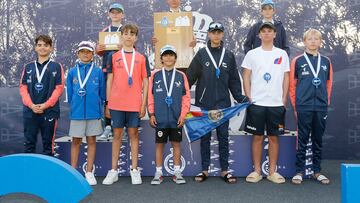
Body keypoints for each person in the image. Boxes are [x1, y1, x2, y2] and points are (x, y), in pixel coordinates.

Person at [186, 22, 248, 184]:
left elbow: (234, 80)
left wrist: (240, 97)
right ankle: (204, 170)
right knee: (205, 137)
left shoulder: (228, 55)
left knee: (223, 137)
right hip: (204, 104)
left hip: (223, 105)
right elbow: (190, 77)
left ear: (222, 35)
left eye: (219, 32)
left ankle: (225, 170)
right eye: (213, 32)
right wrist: (181, 95)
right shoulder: (201, 54)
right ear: (209, 34)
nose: (216, 35)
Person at [242, 22, 289, 184]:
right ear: (259, 35)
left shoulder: (282, 54)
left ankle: (272, 172)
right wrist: (249, 96)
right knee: (257, 137)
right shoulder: (252, 54)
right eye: (264, 31)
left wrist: (283, 99)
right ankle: (256, 171)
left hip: (276, 104)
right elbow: (246, 76)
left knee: (274, 138)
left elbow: (286, 77)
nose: (267, 33)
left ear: (275, 35)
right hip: (257, 103)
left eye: (270, 31)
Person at [102, 24, 149, 185]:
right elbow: (109, 80)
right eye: (126, 33)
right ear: (121, 36)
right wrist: (107, 103)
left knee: (134, 135)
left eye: (132, 34)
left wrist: (143, 105)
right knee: (117, 136)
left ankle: (135, 170)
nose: (129, 36)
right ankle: (113, 170)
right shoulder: (113, 57)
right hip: (116, 103)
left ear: (136, 38)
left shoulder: (142, 58)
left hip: (134, 104)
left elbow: (145, 81)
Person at [289, 28, 333, 185]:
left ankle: (317, 171)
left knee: (318, 139)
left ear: (320, 42)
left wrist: (325, 102)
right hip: (303, 106)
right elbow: (292, 86)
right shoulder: (298, 61)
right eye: (310, 39)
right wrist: (296, 105)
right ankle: (299, 171)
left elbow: (328, 84)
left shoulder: (326, 62)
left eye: (316, 39)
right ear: (304, 41)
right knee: (302, 138)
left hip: (320, 107)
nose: (313, 41)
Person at [148, 45, 190, 185]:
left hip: (176, 118)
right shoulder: (155, 75)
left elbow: (186, 98)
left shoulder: (181, 76)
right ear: (161, 59)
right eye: (165, 55)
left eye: (171, 55)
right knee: (159, 145)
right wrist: (152, 114)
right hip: (159, 118)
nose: (168, 57)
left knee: (176, 144)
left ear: (175, 58)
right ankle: (158, 172)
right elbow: (150, 96)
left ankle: (177, 172)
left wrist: (183, 115)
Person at [66, 41, 106, 186]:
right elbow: (70, 95)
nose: (85, 54)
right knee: (76, 141)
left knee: (91, 141)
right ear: (78, 54)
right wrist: (75, 108)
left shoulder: (98, 72)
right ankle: (73, 172)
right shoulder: (71, 72)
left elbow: (102, 93)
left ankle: (89, 172)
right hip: (77, 114)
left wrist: (98, 108)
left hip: (93, 113)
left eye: (88, 51)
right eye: (82, 51)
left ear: (92, 54)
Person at [19, 34, 64, 156]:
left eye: (46, 45)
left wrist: (45, 105)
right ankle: (28, 174)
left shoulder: (56, 66)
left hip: (49, 111)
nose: (42, 47)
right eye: (39, 45)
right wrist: (31, 105)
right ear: (35, 47)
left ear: (51, 48)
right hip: (30, 111)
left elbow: (59, 89)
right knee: (29, 145)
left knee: (48, 146)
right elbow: (23, 88)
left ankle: (47, 175)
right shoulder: (28, 67)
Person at [96, 3, 125, 139]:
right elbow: (100, 52)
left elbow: (135, 49)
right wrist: (98, 49)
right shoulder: (105, 31)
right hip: (107, 68)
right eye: (113, 12)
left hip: (123, 68)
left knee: (122, 95)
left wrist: (124, 47)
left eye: (118, 12)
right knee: (107, 97)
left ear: (122, 15)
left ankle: (120, 126)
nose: (115, 14)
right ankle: (107, 126)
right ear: (109, 14)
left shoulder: (126, 30)